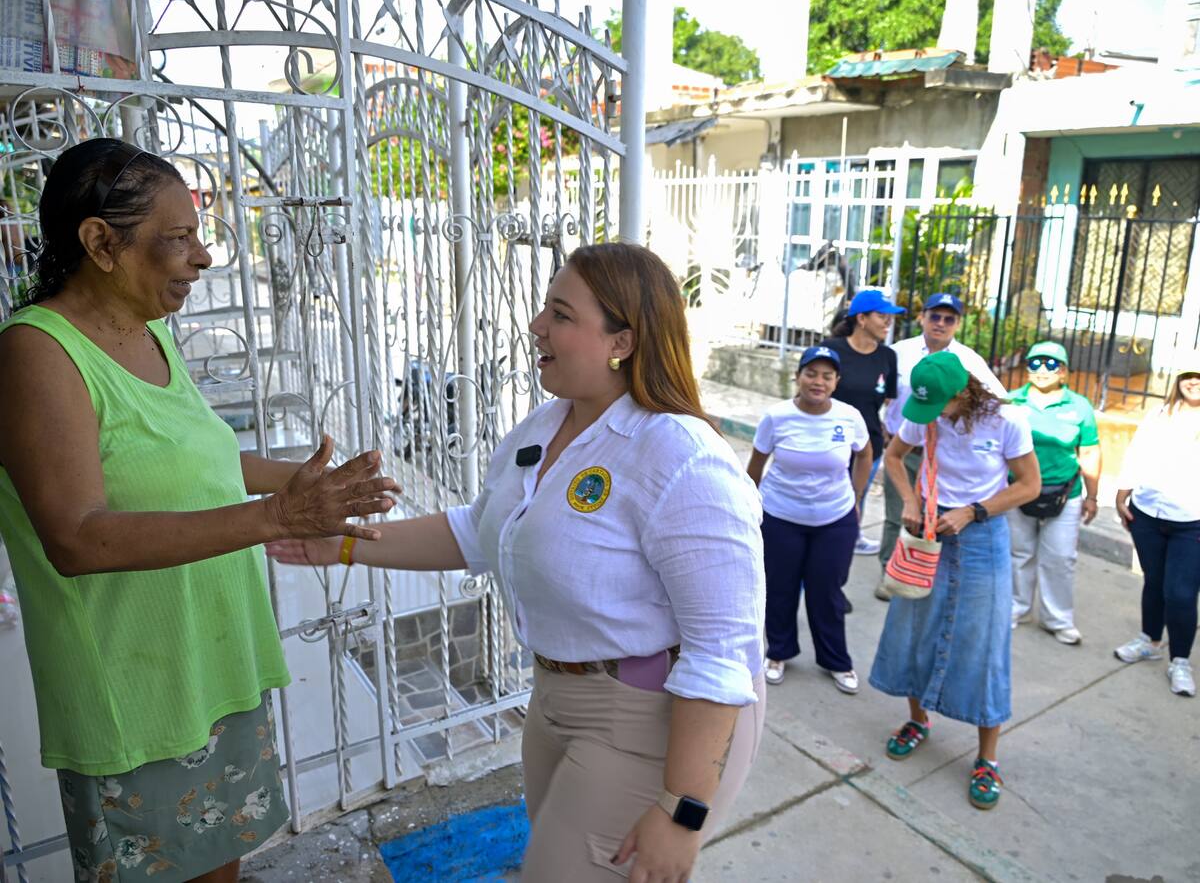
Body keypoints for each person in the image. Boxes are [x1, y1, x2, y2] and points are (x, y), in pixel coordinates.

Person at [269, 242, 766, 883]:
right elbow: (477, 532)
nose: (536, 326)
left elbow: (721, 654)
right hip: (555, 697)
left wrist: (681, 810)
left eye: (560, 314)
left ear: (623, 340)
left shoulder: (681, 458)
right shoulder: (544, 425)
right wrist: (341, 545)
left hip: (648, 719)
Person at [0, 138, 397, 883]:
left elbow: (199, 460)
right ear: (99, 244)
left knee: (219, 871)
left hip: (210, 664)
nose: (204, 257)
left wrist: (315, 485)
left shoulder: (148, 332)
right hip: (135, 691)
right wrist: (280, 518)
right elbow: (76, 539)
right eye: (178, 239)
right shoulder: (37, 354)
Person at [871, 351, 1040, 810]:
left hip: (983, 537)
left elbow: (1029, 485)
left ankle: (988, 759)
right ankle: (918, 720)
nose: (934, 418)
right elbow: (893, 456)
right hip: (930, 531)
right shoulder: (925, 411)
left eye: (941, 406)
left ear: (964, 391)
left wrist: (973, 511)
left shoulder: (1007, 419)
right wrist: (909, 498)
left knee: (984, 645)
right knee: (912, 629)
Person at [747, 345, 871, 694]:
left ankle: (836, 660)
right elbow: (756, 465)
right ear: (798, 377)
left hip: (835, 517)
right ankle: (779, 652)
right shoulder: (777, 416)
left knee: (827, 591)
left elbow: (865, 455)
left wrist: (856, 495)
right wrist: (749, 505)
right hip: (781, 515)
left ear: (836, 382)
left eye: (827, 376)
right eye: (811, 374)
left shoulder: (849, 416)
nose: (818, 381)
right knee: (780, 588)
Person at [876, 292, 1007, 600]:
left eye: (949, 319)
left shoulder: (969, 361)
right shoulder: (899, 352)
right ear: (922, 317)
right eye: (935, 316)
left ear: (957, 323)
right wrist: (881, 424)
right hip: (906, 444)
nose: (941, 324)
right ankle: (892, 573)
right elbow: (881, 391)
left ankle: (928, 575)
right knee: (900, 513)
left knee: (934, 519)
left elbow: (997, 401)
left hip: (945, 454)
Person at [1113, 354, 1200, 697]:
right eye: (1189, 375)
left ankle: (1180, 660)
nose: (1194, 381)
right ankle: (1150, 640)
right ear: (1178, 379)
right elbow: (1136, 454)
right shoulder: (1159, 415)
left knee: (1180, 593)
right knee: (1154, 582)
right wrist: (1122, 496)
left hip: (1191, 521)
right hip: (1147, 512)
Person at [1007, 341, 1102, 645]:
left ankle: (1057, 618)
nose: (1042, 369)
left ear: (1064, 372)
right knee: (1018, 553)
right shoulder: (1010, 402)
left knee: (1060, 557)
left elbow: (1089, 451)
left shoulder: (1079, 406)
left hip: (1064, 492)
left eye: (1051, 364)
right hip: (1018, 490)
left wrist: (1092, 495)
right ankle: (1016, 608)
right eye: (1035, 363)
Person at [822, 289, 904, 556]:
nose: (887, 323)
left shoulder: (887, 357)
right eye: (882, 316)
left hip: (868, 445)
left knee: (857, 497)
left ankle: (850, 539)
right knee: (824, 500)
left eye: (890, 317)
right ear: (861, 319)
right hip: (828, 442)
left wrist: (885, 430)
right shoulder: (831, 350)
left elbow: (887, 400)